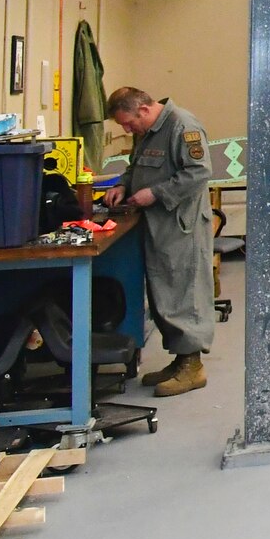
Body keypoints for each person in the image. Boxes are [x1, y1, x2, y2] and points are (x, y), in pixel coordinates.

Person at [103, 88, 214, 397]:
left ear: (143, 109)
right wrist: (122, 186)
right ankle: (180, 361)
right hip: (157, 225)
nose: (126, 130)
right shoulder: (147, 131)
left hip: (181, 225)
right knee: (164, 291)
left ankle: (192, 367)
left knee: (184, 291)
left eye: (128, 123)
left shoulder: (182, 126)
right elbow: (137, 167)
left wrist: (155, 194)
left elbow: (199, 172)